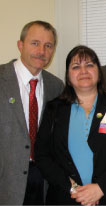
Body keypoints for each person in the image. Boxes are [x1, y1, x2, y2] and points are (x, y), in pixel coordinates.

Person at [34, 45, 106, 205]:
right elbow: (41, 154)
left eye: (89, 65)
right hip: (65, 197)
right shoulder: (54, 109)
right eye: (76, 66)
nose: (83, 71)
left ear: (98, 72)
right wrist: (72, 188)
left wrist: (101, 188)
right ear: (68, 76)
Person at [0, 20, 64, 205]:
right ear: (20, 45)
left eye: (48, 45)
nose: (41, 51)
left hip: (43, 181)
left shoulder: (56, 86)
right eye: (35, 43)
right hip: (6, 181)